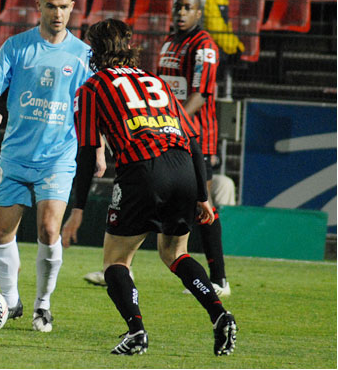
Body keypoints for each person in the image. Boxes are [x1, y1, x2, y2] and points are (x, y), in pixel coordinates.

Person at [63, 18, 237, 356]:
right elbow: (193, 140)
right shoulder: (156, 81)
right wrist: (202, 195)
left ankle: (136, 332)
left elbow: (86, 153)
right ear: (129, 47)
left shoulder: (92, 88)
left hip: (142, 170)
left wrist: (78, 209)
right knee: (175, 253)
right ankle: (220, 315)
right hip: (184, 167)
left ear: (94, 52)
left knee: (116, 260)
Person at [0, 0, 96, 333]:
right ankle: (10, 300)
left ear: (72, 8)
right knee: (1, 232)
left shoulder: (83, 55)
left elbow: (94, 105)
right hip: (15, 155)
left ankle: (42, 306)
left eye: (63, 7)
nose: (57, 14)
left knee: (48, 229)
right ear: (39, 6)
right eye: (51, 7)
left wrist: (100, 148)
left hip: (58, 157)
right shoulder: (17, 46)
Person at [157, 0, 231, 297]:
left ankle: (219, 280)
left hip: (198, 137)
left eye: (187, 8)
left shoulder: (204, 47)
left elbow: (200, 95)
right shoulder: (169, 43)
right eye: (177, 7)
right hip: (171, 134)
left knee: (204, 203)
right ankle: (121, 264)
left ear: (198, 13)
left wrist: (174, 120)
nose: (181, 13)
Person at [204, 0, 244, 98]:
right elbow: (213, 24)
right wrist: (231, 46)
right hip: (212, 45)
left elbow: (225, 26)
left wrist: (235, 45)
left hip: (220, 44)